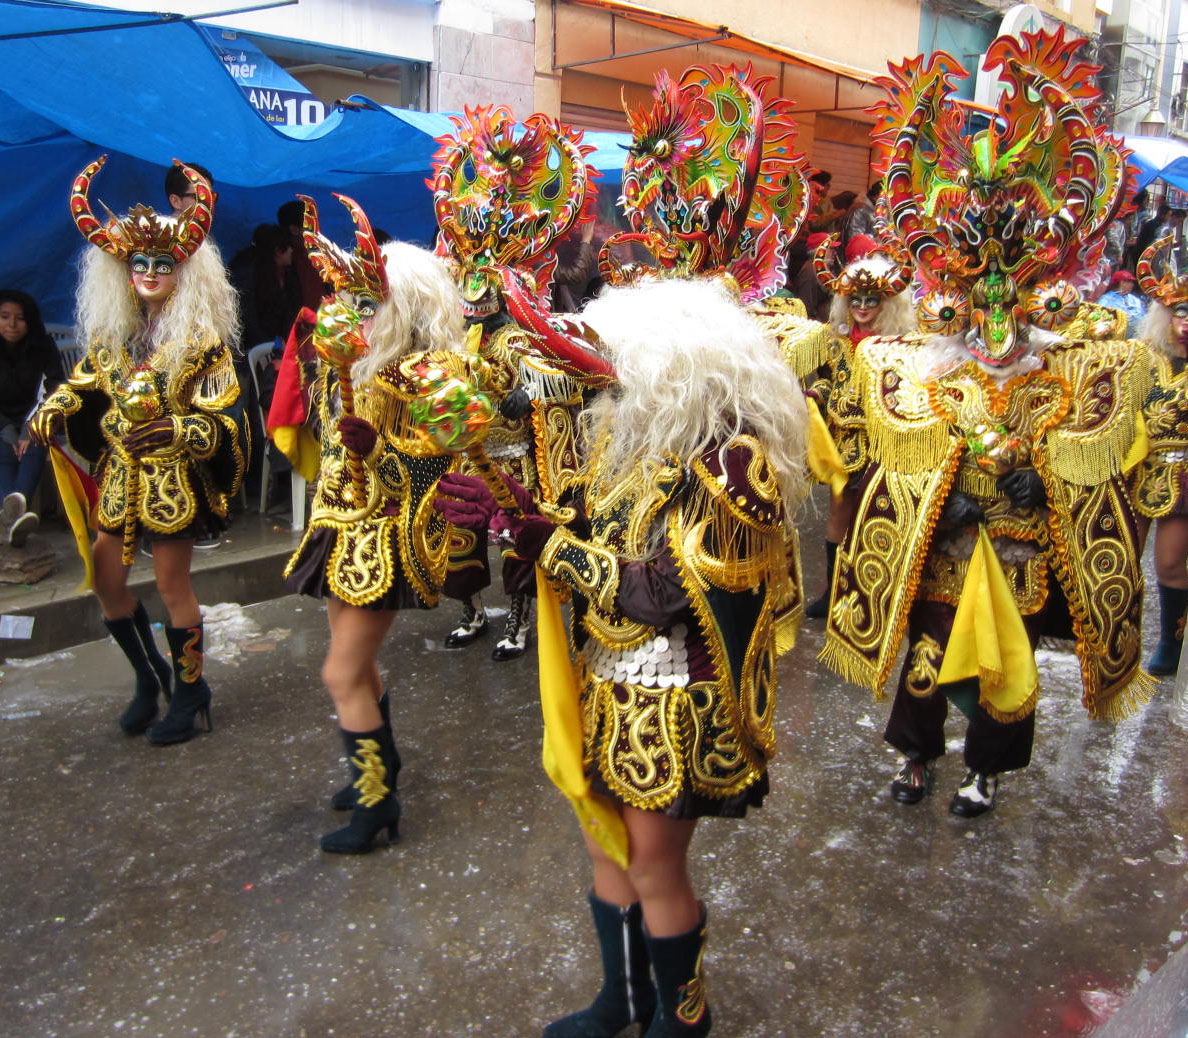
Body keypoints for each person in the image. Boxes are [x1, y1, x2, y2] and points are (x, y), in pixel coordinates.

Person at [435, 277, 809, 1036]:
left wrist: (555, 547)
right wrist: (517, 521)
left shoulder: (734, 466)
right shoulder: (629, 448)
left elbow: (663, 592)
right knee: (605, 849)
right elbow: (582, 535)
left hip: (682, 699)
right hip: (611, 685)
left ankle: (683, 1016)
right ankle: (622, 1001)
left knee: (653, 865)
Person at [822, 30, 1153, 817]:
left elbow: (1104, 465)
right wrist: (939, 502)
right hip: (949, 543)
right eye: (979, 305)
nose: (994, 322)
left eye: (1010, 304)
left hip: (1016, 551)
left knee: (1007, 666)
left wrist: (1041, 489)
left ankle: (988, 770)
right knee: (927, 655)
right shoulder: (921, 368)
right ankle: (915, 757)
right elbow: (893, 462)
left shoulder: (1070, 370)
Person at [30, 157, 247, 744]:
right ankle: (151, 678)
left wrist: (182, 433)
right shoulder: (118, 338)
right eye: (138, 263)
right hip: (121, 477)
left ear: (186, 273)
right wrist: (53, 408)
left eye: (163, 264)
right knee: (105, 578)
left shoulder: (202, 345)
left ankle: (192, 689)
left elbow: (226, 417)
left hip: (172, 483)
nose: (149, 272)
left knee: (175, 586)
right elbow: (84, 383)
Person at [281, 194, 466, 854]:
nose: (358, 314)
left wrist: (375, 451)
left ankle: (377, 803)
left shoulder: (429, 374)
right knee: (355, 670)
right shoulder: (350, 361)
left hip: (385, 538)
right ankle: (378, 769)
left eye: (371, 302)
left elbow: (433, 467)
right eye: (354, 301)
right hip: (339, 528)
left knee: (340, 672)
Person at [803, 233, 915, 619]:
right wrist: (815, 395)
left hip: (881, 440)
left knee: (878, 514)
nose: (863, 307)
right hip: (842, 439)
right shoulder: (833, 340)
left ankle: (874, 595)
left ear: (887, 304)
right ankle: (832, 591)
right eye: (856, 300)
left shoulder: (898, 344)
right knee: (839, 511)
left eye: (872, 300)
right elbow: (826, 379)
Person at [1131, 235, 1188, 675]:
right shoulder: (1145, 360)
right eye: (1180, 312)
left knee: (1169, 563)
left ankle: (1173, 641)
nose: (1186, 322)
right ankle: (1115, 642)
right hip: (1138, 469)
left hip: (1184, 475)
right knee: (1119, 558)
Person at [0, 289, 65, 545]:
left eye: (20, 318)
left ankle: (10, 514)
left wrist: (30, 426)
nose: (12, 325)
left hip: (35, 416)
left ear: (31, 321)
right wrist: (7, 430)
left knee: (37, 442)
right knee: (4, 451)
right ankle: (17, 515)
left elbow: (56, 387)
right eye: (4, 317)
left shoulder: (43, 346)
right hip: (1, 421)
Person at [277, 198, 331, 311]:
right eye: (312, 226)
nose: (317, 232)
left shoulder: (320, 256)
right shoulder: (285, 261)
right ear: (295, 230)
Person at [1097, 268, 1147, 337]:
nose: (1132, 284)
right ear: (1120, 282)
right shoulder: (1106, 299)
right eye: (1128, 281)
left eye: (1132, 282)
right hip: (1115, 339)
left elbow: (1143, 317)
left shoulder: (1134, 299)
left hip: (1137, 339)